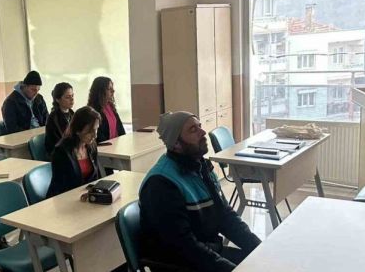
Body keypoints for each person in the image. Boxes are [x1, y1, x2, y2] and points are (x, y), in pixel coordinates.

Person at [138, 111, 261, 272]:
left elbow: (225, 216)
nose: (203, 132)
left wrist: (260, 248)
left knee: (263, 262)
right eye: (193, 130)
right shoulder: (161, 184)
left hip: (207, 252)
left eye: (200, 126)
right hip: (180, 264)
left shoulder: (200, 167)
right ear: (176, 143)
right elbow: (184, 246)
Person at [46, 106, 102, 198]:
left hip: (84, 197)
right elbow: (60, 187)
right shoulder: (61, 151)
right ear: (78, 130)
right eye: (90, 131)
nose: (95, 135)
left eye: (96, 129)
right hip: (64, 199)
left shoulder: (91, 146)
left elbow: (96, 177)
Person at [0, 70, 49, 135]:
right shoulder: (10, 102)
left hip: (41, 134)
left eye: (38, 90)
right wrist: (30, 134)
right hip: (23, 137)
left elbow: (47, 118)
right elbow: (12, 128)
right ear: (24, 86)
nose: (36, 93)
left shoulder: (39, 98)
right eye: (33, 90)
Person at [87, 76, 126, 143]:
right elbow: (98, 135)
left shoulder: (110, 106)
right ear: (100, 91)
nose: (113, 91)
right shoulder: (92, 111)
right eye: (109, 89)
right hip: (104, 147)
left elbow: (120, 128)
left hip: (115, 145)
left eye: (112, 88)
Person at [44, 82, 75, 158]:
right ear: (58, 99)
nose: (72, 99)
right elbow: (58, 142)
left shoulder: (72, 113)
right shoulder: (54, 118)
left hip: (71, 151)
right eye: (67, 97)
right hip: (59, 154)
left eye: (72, 96)